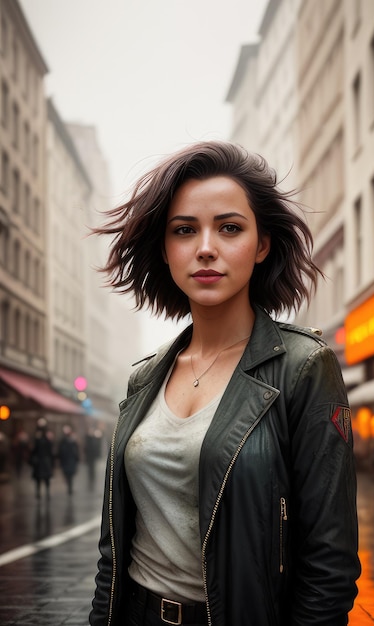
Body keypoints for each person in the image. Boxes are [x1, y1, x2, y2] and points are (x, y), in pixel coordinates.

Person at [89, 141, 360, 626]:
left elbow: (329, 563)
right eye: (184, 230)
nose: (206, 247)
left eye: (229, 228)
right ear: (166, 250)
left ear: (261, 245)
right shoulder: (145, 376)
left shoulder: (303, 367)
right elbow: (114, 549)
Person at [29, 418, 54, 499]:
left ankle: (46, 493)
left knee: (45, 479)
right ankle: (39, 493)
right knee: (39, 479)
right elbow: (34, 449)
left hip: (44, 460)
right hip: (40, 460)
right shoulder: (37, 436)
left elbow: (49, 449)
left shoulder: (45, 436)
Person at [58, 424, 80, 495]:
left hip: (71, 460)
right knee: (67, 474)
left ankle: (70, 488)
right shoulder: (63, 440)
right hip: (65, 460)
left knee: (70, 475)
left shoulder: (73, 440)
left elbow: (76, 450)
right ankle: (69, 487)